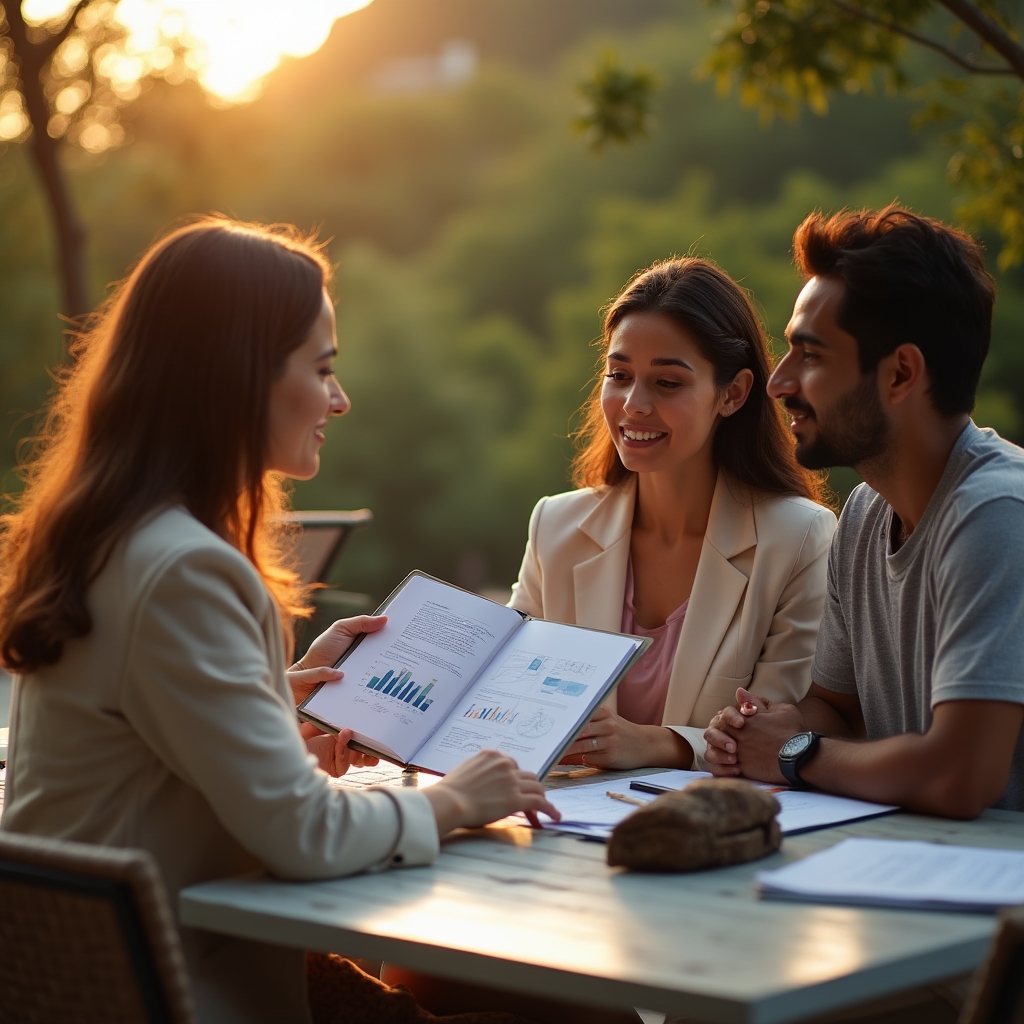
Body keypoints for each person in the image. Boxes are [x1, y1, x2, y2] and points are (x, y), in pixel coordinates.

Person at [0, 217, 561, 1024]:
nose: (340, 397)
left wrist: (275, 699)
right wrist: (460, 799)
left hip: (94, 978)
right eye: (322, 367)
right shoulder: (187, 568)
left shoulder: (109, 536)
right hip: (177, 987)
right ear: (237, 375)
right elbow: (303, 835)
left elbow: (143, 736)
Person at [703, 206, 1024, 818]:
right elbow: (841, 712)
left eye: (812, 356)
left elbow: (962, 775)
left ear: (901, 372)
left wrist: (795, 752)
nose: (780, 383)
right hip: (906, 874)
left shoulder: (997, 513)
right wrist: (766, 731)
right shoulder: (866, 511)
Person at [509, 257, 836, 770]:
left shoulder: (799, 538)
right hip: (563, 828)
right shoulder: (556, 526)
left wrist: (661, 744)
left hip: (719, 831)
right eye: (619, 375)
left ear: (733, 394)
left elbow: (778, 731)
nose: (634, 404)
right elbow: (503, 691)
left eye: (667, 383)